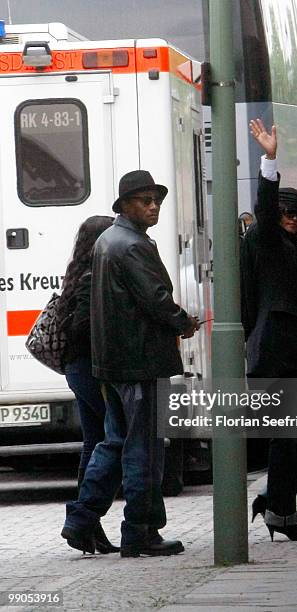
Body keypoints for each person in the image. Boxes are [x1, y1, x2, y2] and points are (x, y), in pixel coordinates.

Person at [61, 170, 199, 557]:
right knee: (144, 449)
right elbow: (155, 299)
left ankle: (82, 518)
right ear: (124, 205)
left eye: (156, 199)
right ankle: (140, 530)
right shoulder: (133, 245)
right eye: (144, 200)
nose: (153, 206)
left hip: (114, 364)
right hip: (140, 362)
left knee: (114, 442)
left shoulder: (109, 240)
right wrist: (183, 322)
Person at [242, 118, 297, 541]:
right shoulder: (267, 241)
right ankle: (278, 512)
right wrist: (270, 159)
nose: (291, 219)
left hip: (291, 357)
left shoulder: (294, 249)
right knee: (285, 439)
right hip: (272, 356)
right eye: (285, 213)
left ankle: (276, 508)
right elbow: (266, 210)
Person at [58, 215, 117, 554]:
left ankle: (88, 526)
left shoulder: (78, 272)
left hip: (79, 369)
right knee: (115, 440)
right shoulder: (92, 277)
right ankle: (82, 517)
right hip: (89, 370)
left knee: (94, 442)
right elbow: (80, 328)